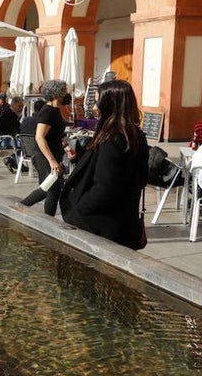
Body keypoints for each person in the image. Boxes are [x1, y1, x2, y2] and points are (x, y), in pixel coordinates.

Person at [59, 79, 150, 250]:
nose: (94, 108)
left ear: (110, 104)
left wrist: (78, 211)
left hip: (103, 227)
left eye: (97, 102)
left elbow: (105, 186)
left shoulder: (112, 138)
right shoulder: (136, 135)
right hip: (125, 223)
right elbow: (141, 177)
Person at [20, 81, 71, 216]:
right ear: (56, 94)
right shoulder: (47, 112)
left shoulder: (55, 111)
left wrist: (65, 146)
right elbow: (39, 137)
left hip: (52, 154)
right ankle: (20, 206)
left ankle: (48, 219)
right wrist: (52, 160)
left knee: (54, 189)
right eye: (64, 92)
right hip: (44, 156)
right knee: (50, 188)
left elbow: (55, 135)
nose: (66, 94)